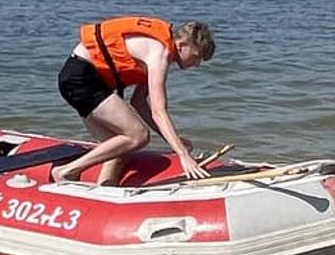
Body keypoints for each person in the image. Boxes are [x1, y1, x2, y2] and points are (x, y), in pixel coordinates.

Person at [52, 16, 215, 184]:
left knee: (118, 147)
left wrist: (174, 142)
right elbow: (159, 111)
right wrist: (183, 154)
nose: (197, 64)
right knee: (138, 136)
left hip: (83, 80)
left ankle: (105, 191)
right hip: (81, 79)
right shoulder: (159, 53)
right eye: (196, 57)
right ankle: (65, 172)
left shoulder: (156, 53)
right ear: (181, 45)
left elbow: (139, 103)